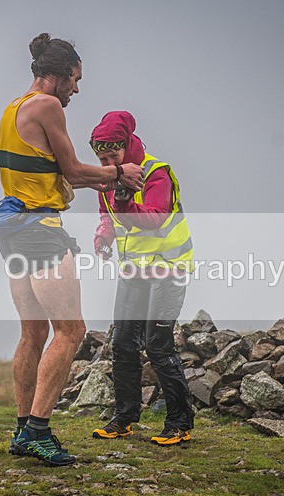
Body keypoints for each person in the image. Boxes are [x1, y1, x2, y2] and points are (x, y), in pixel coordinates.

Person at [0, 34, 144, 466]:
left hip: (14, 232)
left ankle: (23, 427)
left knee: (33, 333)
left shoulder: (13, 108)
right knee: (70, 331)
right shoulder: (48, 106)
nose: (77, 89)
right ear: (59, 76)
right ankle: (39, 432)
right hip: (41, 231)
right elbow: (75, 172)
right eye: (75, 80)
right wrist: (120, 174)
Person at [90, 111, 196, 446]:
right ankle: (124, 418)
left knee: (158, 344)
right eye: (102, 158)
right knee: (122, 342)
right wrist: (103, 235)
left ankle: (179, 423)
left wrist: (125, 206)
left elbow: (155, 219)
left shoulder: (156, 173)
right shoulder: (109, 177)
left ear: (126, 146)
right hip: (133, 270)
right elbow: (107, 214)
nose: (108, 163)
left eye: (112, 156)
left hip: (169, 267)